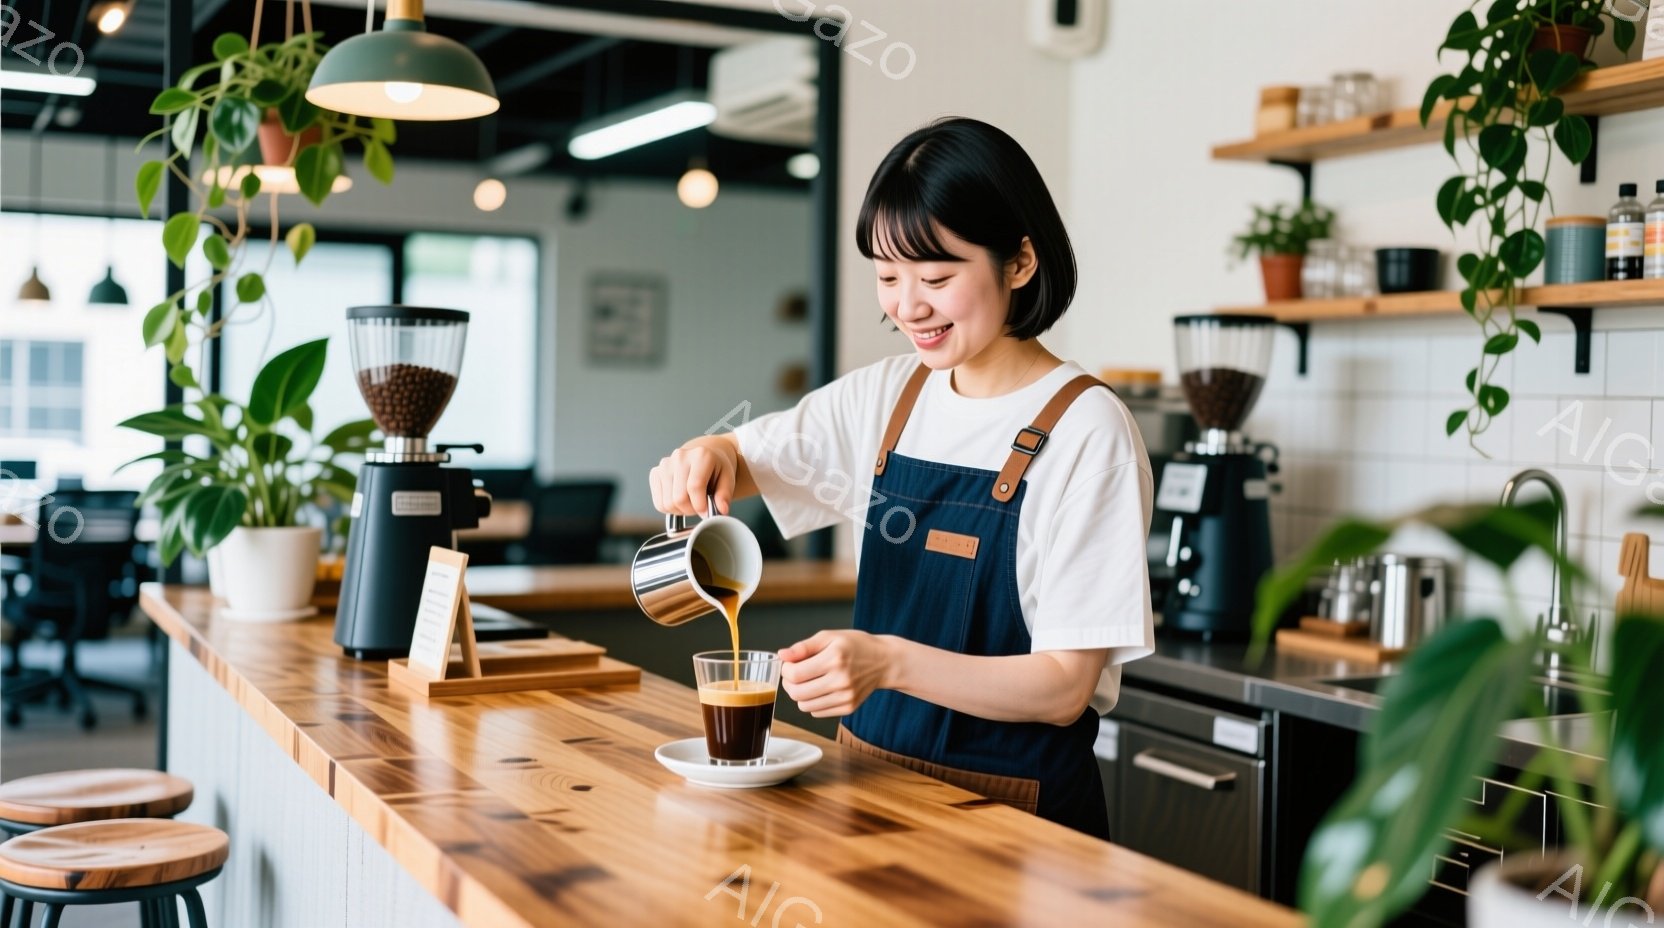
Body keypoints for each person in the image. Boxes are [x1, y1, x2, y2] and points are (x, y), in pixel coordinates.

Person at [648, 116, 1153, 838]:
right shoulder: (891, 394)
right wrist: (709, 453)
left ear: (1019, 262)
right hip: (868, 791)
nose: (907, 305)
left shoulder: (1087, 429)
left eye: (937, 277)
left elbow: (1065, 687)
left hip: (1018, 821)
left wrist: (885, 663)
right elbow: (746, 456)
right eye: (888, 276)